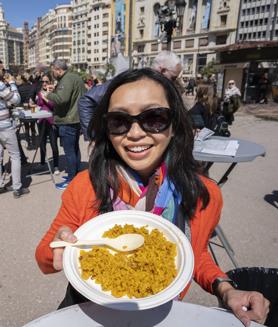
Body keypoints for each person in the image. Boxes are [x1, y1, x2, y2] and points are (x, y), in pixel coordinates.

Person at [36, 68, 269, 326]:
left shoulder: (204, 194)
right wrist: (58, 249)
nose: (135, 133)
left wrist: (225, 288)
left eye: (154, 117)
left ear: (175, 125)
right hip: (90, 314)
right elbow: (44, 258)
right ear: (107, 128)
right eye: (119, 120)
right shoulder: (85, 185)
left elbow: (193, 254)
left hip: (160, 315)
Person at [78, 50, 183, 140]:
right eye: (173, 77)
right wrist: (93, 137)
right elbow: (86, 100)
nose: (173, 82)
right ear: (162, 69)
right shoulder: (132, 80)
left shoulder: (164, 89)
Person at [46, 59, 86, 190]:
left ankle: (72, 179)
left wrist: (49, 94)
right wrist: (56, 89)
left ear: (58, 69)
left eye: (53, 71)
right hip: (75, 118)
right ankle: (76, 174)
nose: (53, 73)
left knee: (70, 151)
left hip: (68, 120)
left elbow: (62, 99)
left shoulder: (67, 79)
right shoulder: (74, 77)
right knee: (74, 148)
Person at [0, 70, 30, 198]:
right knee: (15, 156)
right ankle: (17, 188)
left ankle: (1, 185)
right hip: (4, 125)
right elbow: (16, 100)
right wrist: (12, 83)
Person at [36, 73, 59, 175]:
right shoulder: (39, 92)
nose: (44, 83)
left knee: (54, 144)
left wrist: (45, 97)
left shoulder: (53, 92)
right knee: (42, 142)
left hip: (51, 121)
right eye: (42, 81)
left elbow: (52, 105)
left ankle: (56, 166)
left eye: (46, 81)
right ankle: (42, 162)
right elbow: (38, 105)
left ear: (50, 82)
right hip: (41, 120)